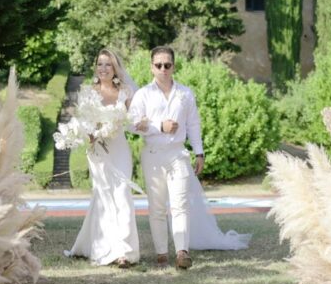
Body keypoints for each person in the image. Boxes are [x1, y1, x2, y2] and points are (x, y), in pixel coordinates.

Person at [129, 46, 251, 269]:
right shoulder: (143, 94)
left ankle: (182, 252)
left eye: (167, 65)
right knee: (156, 207)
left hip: (178, 154)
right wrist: (159, 126)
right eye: (158, 65)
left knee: (180, 205)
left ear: (174, 66)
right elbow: (132, 124)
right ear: (151, 67)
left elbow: (194, 124)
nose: (163, 69)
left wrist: (199, 152)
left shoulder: (185, 93)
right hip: (153, 154)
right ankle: (161, 253)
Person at [66, 48, 141, 268]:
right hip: (97, 150)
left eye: (108, 64)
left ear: (115, 68)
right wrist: (89, 134)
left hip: (119, 148)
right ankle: (105, 248)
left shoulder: (126, 91)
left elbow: (133, 121)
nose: (103, 68)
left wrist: (140, 123)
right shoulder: (88, 91)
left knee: (122, 193)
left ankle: (126, 252)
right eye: (100, 64)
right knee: (104, 195)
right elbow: (83, 120)